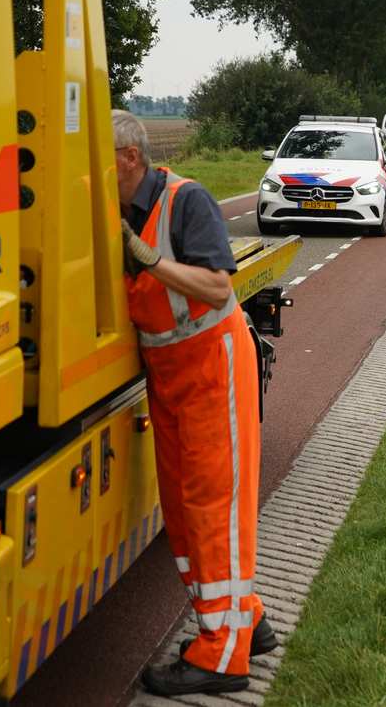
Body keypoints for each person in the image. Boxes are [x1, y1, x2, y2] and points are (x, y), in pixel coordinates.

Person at [113, 110, 276, 696]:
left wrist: (150, 258)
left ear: (128, 158)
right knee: (184, 510)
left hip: (212, 367)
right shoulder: (121, 209)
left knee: (215, 508)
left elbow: (217, 287)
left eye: (99, 164)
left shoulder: (187, 201)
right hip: (171, 376)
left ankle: (221, 658)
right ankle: (243, 620)